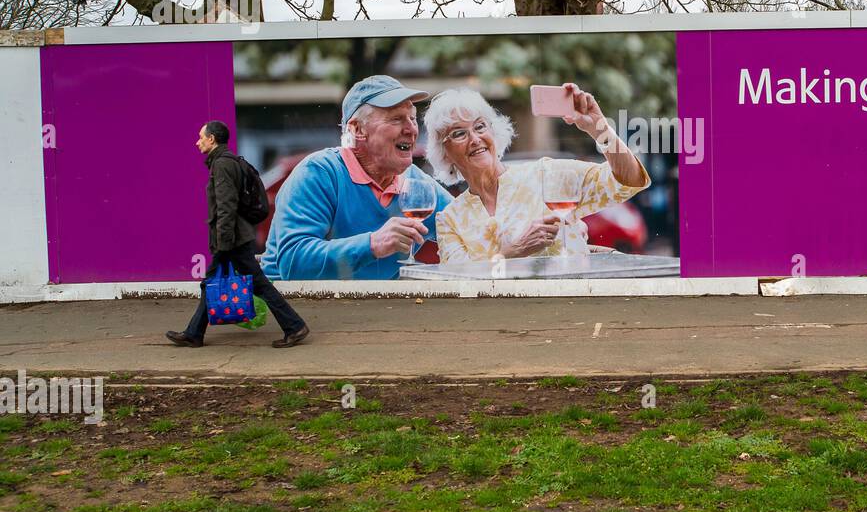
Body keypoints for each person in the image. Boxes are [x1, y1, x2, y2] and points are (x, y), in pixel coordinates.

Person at [259, 75, 454, 280]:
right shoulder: (319, 172)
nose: (411, 129)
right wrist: (372, 244)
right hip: (293, 306)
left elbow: (465, 226)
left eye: (412, 118)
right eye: (396, 119)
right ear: (357, 129)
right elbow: (292, 264)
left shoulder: (416, 183)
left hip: (370, 307)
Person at [428, 84, 650, 263]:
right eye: (459, 133)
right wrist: (509, 254)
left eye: (480, 127)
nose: (475, 139)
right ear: (444, 152)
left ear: (494, 132)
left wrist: (599, 128)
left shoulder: (547, 174)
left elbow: (627, 181)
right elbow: (459, 283)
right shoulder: (449, 220)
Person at [167, 121, 310, 348]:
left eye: (201, 137)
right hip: (236, 236)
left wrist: (222, 243)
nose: (198, 141)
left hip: (232, 239)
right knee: (214, 282)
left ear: (212, 139)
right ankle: (194, 333)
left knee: (258, 284)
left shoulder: (222, 165)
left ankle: (294, 326)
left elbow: (226, 206)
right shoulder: (229, 161)